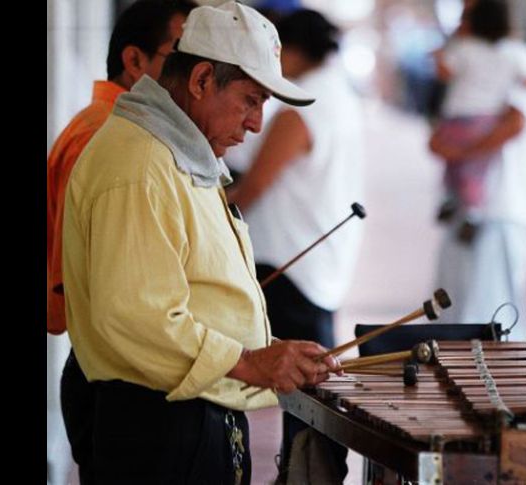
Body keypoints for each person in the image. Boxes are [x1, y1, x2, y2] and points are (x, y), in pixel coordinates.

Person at [62, 3, 341, 483]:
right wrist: (250, 361)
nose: (256, 124)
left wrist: (270, 351)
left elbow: (194, 295)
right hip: (156, 430)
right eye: (250, 100)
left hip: (191, 416)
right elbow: (137, 317)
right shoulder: (138, 165)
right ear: (201, 80)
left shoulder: (175, 154)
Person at [46, 1, 196, 481]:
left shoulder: (126, 133)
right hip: (111, 378)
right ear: (135, 62)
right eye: (180, 56)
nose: (194, 75)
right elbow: (111, 294)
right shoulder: (106, 137)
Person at [224, 9, 363, 482]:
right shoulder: (340, 92)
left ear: (296, 50)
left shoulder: (310, 104)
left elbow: (256, 183)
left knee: (303, 398)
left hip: (289, 259)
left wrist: (211, 207)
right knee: (310, 395)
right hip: (316, 262)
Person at [430, 0, 526, 340]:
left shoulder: (513, 56)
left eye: (467, 16)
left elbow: (516, 121)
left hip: (500, 205)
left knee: (488, 315)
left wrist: (460, 151)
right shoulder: (488, 55)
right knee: (464, 304)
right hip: (475, 206)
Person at [430, 0, 526, 243]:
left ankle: (450, 200)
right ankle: (473, 211)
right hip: (486, 121)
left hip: (457, 119)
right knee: (476, 173)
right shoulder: (510, 55)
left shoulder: (464, 48)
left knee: (454, 168)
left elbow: (444, 72)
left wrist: (439, 57)